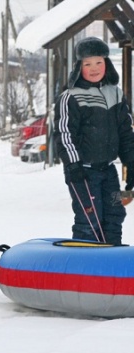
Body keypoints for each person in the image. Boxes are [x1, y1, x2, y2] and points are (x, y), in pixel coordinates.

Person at [54, 36, 134, 245]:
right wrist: (73, 166)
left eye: (99, 62)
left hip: (108, 170)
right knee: (90, 219)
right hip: (83, 172)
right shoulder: (70, 97)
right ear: (79, 67)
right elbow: (64, 133)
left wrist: (132, 162)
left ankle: (111, 262)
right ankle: (85, 268)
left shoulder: (115, 93)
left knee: (115, 214)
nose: (94, 68)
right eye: (87, 63)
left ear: (106, 63)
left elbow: (125, 131)